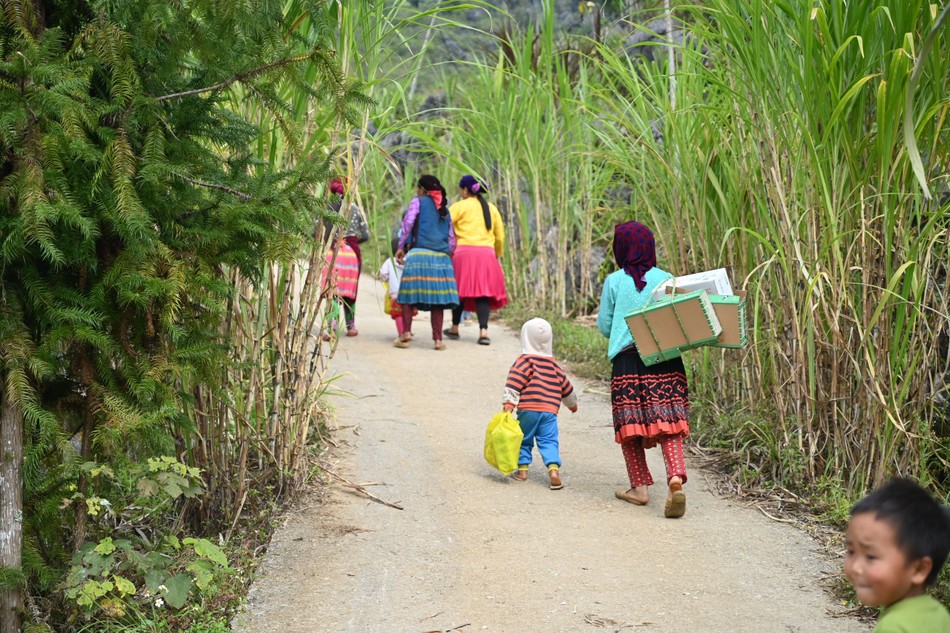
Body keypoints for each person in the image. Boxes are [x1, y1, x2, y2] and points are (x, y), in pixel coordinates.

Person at [597, 221, 689, 518]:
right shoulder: (667, 279)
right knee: (669, 422)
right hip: (665, 358)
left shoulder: (614, 281)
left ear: (620, 248)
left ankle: (639, 488)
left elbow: (605, 326)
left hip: (627, 361)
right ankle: (675, 478)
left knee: (630, 426)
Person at [844, 478, 950, 632]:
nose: (856, 567)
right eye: (851, 552)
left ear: (919, 569)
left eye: (871, 556)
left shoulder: (893, 627)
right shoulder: (939, 614)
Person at [502, 318, 578, 490]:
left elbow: (514, 383)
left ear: (525, 337)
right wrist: (572, 405)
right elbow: (566, 387)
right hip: (550, 412)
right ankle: (553, 471)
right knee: (549, 440)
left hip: (528, 409)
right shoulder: (553, 365)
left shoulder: (524, 361)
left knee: (524, 439)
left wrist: (509, 403)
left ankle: (522, 471)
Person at [394, 175, 459, 350]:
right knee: (438, 300)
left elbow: (408, 224)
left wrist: (401, 246)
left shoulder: (418, 202)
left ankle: (406, 332)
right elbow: (452, 238)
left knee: (408, 295)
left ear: (422, 189)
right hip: (441, 258)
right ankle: (438, 340)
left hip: (418, 255)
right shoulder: (445, 208)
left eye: (418, 188)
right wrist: (447, 255)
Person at [444, 174, 507, 346]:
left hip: (463, 254)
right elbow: (500, 237)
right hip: (486, 255)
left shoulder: (459, 206)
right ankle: (483, 332)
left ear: (465, 190)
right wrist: (496, 253)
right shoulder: (491, 209)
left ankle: (455, 327)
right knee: (483, 293)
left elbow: (445, 224)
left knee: (460, 291)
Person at [329, 177, 370, 336]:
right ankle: (351, 326)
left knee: (331, 290)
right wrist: (353, 242)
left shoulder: (327, 208)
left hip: (333, 250)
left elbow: (314, 232)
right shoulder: (356, 209)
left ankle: (332, 327)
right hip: (352, 251)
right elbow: (365, 235)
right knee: (350, 288)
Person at [377, 235, 415, 343]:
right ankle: (407, 330)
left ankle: (402, 333)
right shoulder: (409, 260)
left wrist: (387, 279)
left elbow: (383, 274)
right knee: (408, 313)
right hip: (409, 292)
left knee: (398, 314)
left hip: (395, 293)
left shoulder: (389, 262)